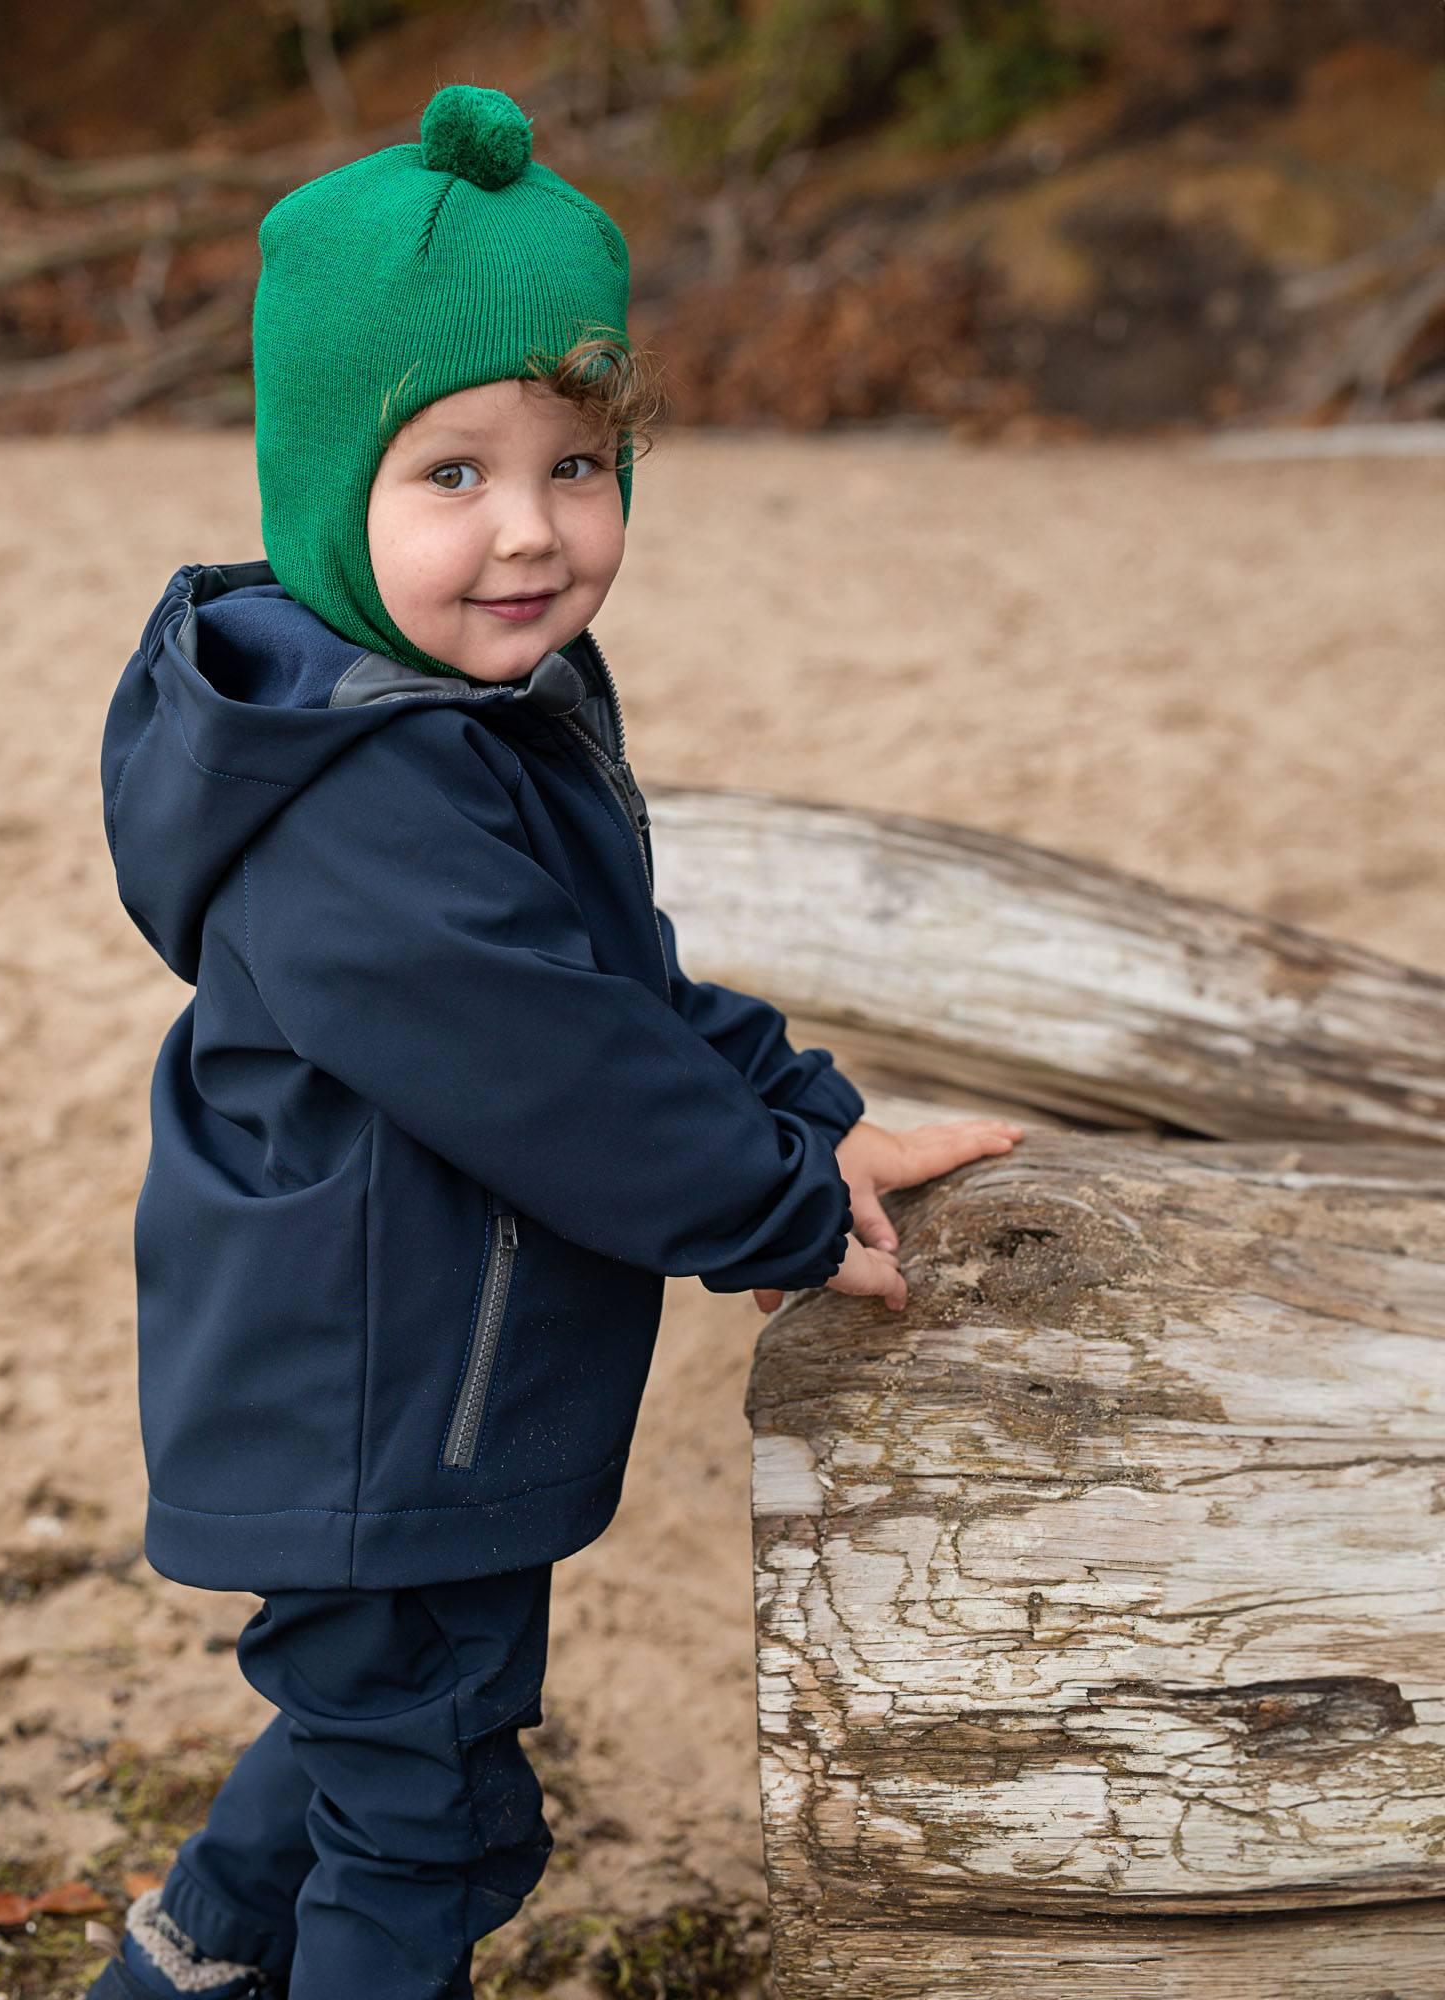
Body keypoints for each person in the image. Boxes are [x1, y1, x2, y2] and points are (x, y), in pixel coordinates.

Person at [87, 81, 1023, 2000]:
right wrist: (770, 1211)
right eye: (451, 475)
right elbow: (552, 1068)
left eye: (577, 467)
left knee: (370, 1755)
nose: (529, 531)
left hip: (416, 1390)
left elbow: (617, 982)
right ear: (322, 486)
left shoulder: (475, 705)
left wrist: (802, 1117)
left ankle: (171, 1973)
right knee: (428, 1826)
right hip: (365, 1403)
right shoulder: (357, 792)